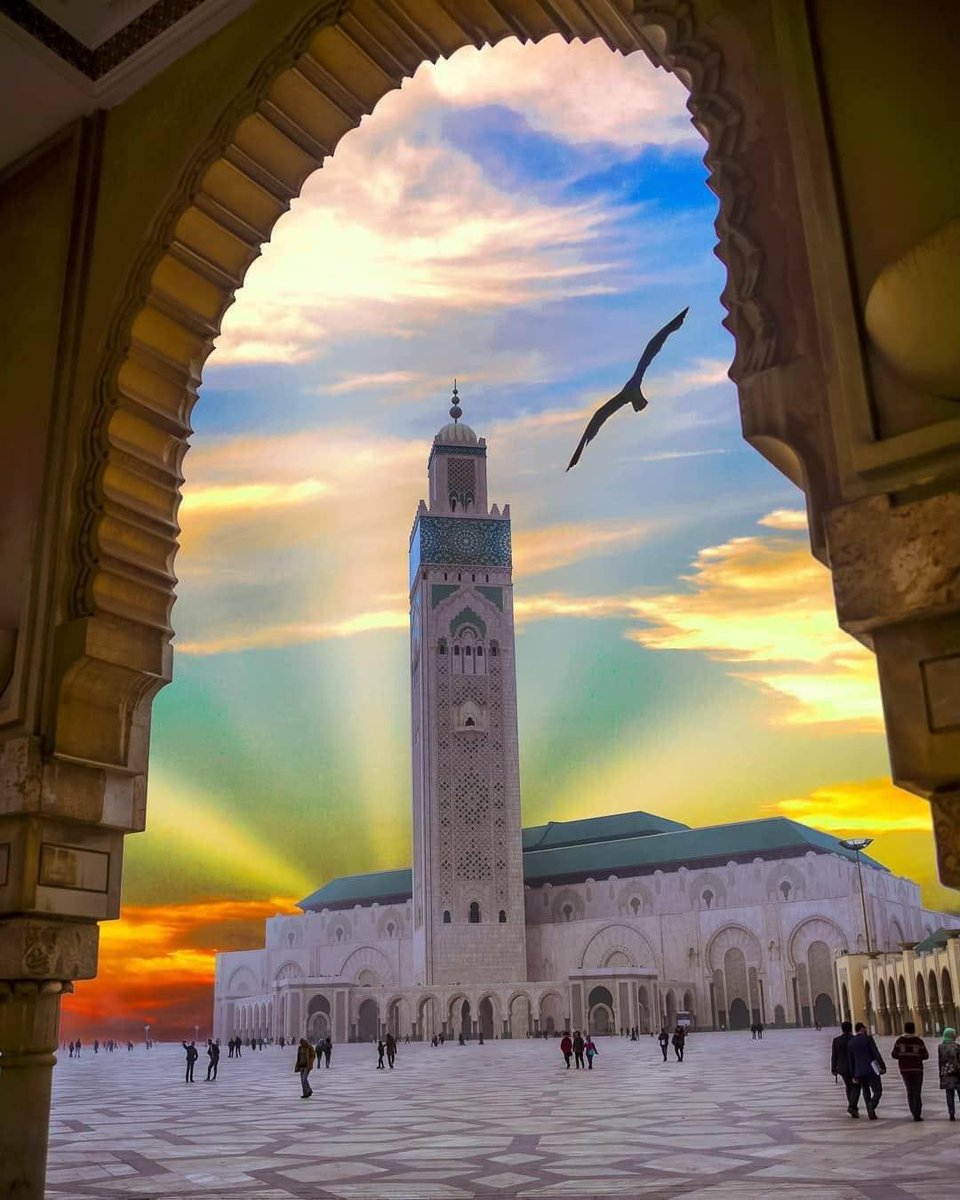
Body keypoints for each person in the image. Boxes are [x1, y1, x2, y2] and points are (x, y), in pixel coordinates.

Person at [891, 1021, 928, 1120]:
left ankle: (913, 1111)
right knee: (917, 1091)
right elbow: (925, 1055)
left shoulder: (899, 1041)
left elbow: (894, 1054)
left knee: (910, 1090)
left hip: (905, 1069)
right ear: (914, 1029)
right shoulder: (918, 1041)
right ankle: (917, 1113)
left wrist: (903, 1056)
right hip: (917, 1069)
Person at [849, 1022, 885, 1119]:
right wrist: (882, 1066)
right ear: (861, 1029)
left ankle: (871, 1113)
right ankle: (872, 1105)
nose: (866, 1029)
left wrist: (853, 1075)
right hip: (871, 1069)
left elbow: (851, 1060)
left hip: (859, 1071)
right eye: (865, 1028)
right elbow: (875, 1053)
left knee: (866, 1091)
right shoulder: (868, 1039)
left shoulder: (851, 1042)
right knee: (878, 1090)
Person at [831, 1020, 861, 1118]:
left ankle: (852, 1106)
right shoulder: (854, 1039)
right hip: (854, 1067)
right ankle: (852, 1106)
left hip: (842, 1068)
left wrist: (833, 1069)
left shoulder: (836, 1040)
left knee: (848, 1086)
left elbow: (834, 1056)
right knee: (856, 1087)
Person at [938, 1027, 960, 1121]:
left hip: (945, 1072)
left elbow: (940, 1061)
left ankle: (951, 1113)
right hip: (957, 1073)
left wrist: (940, 1073)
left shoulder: (940, 1047)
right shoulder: (957, 1046)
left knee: (949, 1094)